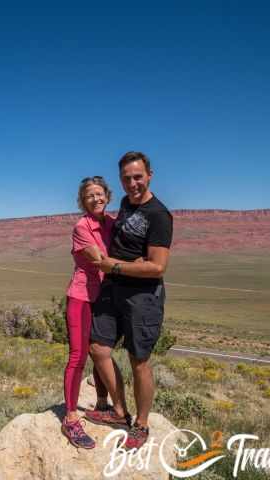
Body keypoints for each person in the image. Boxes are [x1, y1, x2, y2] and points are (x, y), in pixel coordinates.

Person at [86, 151, 173, 450]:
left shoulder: (159, 215)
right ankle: (119, 411)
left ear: (149, 175)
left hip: (142, 297)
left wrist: (118, 266)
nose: (132, 183)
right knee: (98, 348)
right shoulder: (124, 203)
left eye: (138, 177)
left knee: (139, 361)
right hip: (113, 288)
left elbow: (157, 266)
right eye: (126, 178)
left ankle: (142, 424)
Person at [61, 176, 115, 449]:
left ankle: (104, 406)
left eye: (99, 194)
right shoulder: (82, 226)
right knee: (78, 355)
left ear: (107, 195)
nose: (95, 199)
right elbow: (100, 260)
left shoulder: (112, 223)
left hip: (104, 297)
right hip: (81, 297)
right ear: (82, 201)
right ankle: (71, 418)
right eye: (89, 196)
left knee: (101, 351)